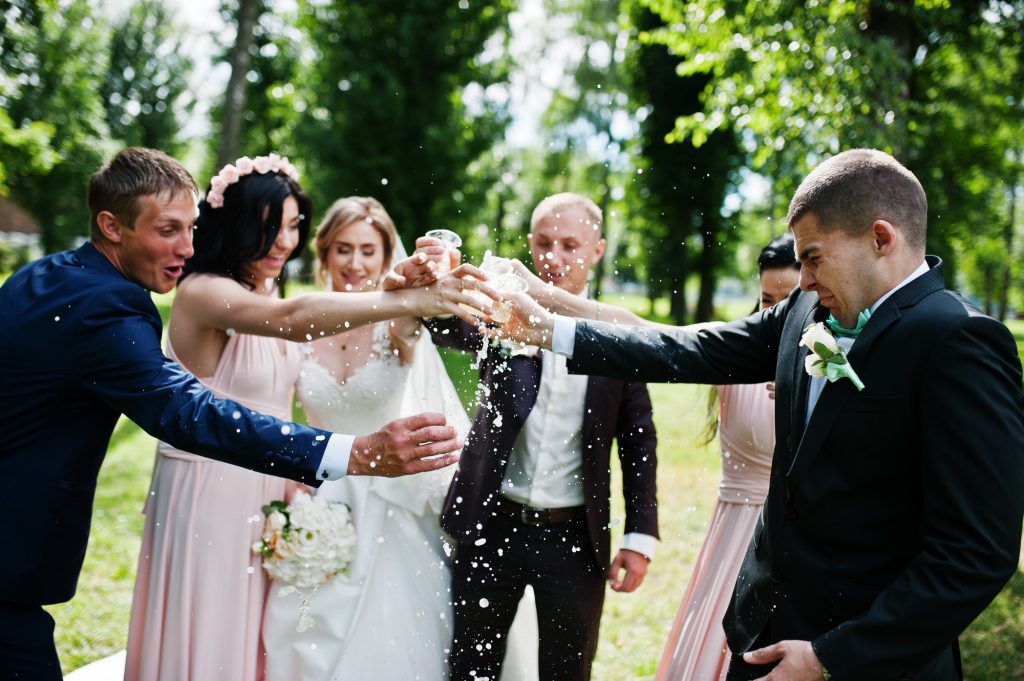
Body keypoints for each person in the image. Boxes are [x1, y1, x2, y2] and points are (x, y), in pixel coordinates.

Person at [494, 150, 1024, 681]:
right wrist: (548, 328)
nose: (806, 279)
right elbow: (691, 348)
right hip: (760, 635)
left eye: (814, 257)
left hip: (868, 660)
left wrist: (828, 659)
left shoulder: (959, 341)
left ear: (880, 239)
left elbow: (974, 554)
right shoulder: (805, 308)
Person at [0, 148, 471, 680]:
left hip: (257, 487)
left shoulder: (42, 278)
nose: (186, 246)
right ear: (112, 226)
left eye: (191, 228)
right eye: (167, 230)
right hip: (194, 487)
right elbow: (185, 408)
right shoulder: (127, 303)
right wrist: (354, 448)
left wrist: (391, 291)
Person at [123, 157, 497, 681]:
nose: (282, 242)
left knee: (252, 634)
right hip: (212, 482)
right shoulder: (203, 291)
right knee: (210, 627)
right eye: (270, 226)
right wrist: (406, 295)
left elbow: (331, 313)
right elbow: (293, 322)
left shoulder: (263, 291)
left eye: (294, 226)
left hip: (271, 487)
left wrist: (398, 287)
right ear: (236, 224)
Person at [262, 196, 538, 681]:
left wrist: (425, 281)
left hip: (395, 500)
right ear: (324, 255)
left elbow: (415, 320)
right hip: (320, 494)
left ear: (385, 255)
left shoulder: (397, 322)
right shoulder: (299, 325)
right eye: (343, 249)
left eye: (368, 250)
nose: (355, 262)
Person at [423, 192, 659, 681]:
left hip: (574, 536)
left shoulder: (615, 333)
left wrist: (639, 537)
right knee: (471, 666)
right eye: (544, 242)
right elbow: (443, 327)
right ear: (529, 243)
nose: (554, 257)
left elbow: (638, 442)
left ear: (597, 250)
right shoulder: (500, 311)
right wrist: (431, 284)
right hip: (492, 523)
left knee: (566, 670)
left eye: (570, 245)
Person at [655, 234, 800, 681]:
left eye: (790, 302)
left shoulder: (829, 364)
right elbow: (657, 336)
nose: (775, 315)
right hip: (733, 537)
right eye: (766, 300)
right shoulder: (742, 352)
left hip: (793, 544)